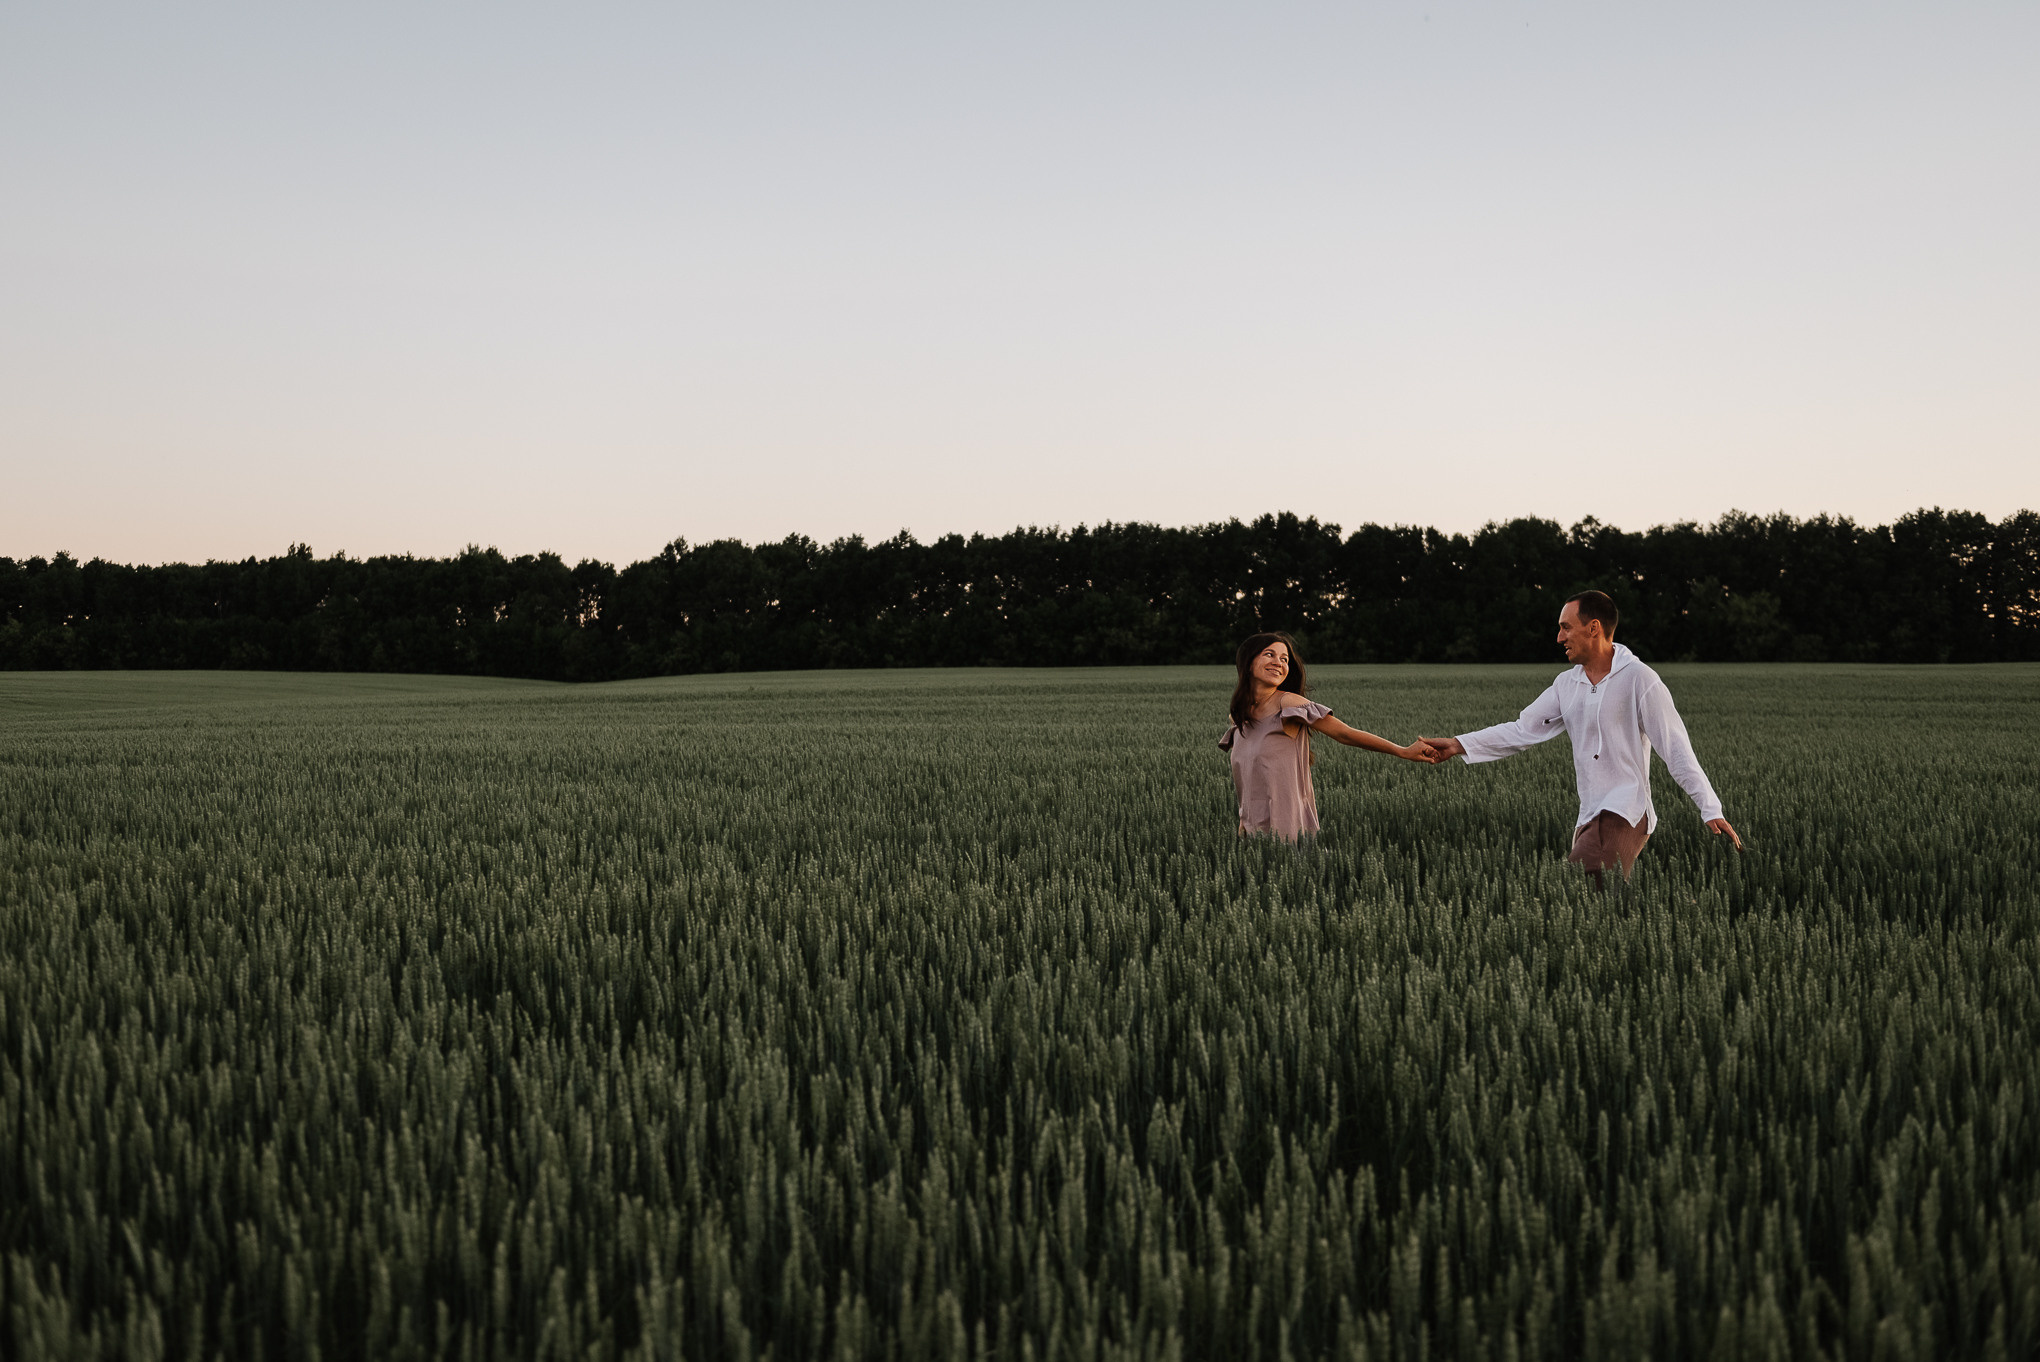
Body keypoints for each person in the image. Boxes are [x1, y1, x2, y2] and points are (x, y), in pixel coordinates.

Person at [1420, 591, 1741, 886]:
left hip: (1626, 810)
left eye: (1566, 628)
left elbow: (1675, 748)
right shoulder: (1565, 685)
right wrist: (1457, 744)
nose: (1559, 637)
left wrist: (1710, 807)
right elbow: (1522, 730)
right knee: (1593, 900)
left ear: (1594, 628)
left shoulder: (1640, 679)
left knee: (1576, 886)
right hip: (1590, 814)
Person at [1221, 631, 1439, 841]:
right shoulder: (1239, 717)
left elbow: (1345, 733)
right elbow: (1249, 776)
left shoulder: (1287, 704)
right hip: (1250, 829)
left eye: (1285, 658)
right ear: (1248, 662)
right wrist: (1244, 820)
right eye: (1269, 654)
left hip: (1288, 828)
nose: (1279, 662)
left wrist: (1402, 751)